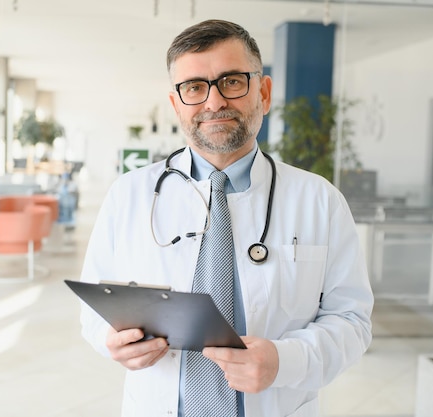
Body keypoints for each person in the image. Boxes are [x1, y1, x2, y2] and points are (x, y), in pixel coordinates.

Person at [79, 19, 373, 417]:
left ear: (263, 93)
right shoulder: (128, 195)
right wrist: (110, 340)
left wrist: (285, 361)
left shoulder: (320, 200)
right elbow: (96, 310)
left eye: (232, 81)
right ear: (176, 105)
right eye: (194, 87)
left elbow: (352, 320)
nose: (214, 102)